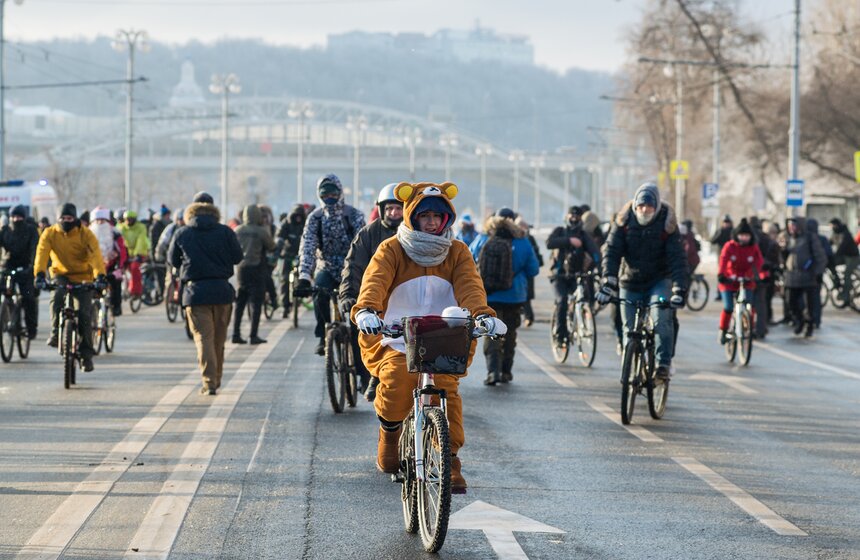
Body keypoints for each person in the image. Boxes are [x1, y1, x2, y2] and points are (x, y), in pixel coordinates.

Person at [352, 181, 505, 493]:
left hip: (443, 335)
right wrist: (367, 310)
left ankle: (450, 460)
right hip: (397, 335)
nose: (432, 221)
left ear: (447, 218)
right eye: (424, 215)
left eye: (438, 215)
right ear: (412, 216)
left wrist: (482, 315)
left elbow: (470, 286)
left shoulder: (458, 251)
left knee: (446, 391)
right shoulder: (391, 248)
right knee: (396, 381)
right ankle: (390, 435)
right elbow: (375, 281)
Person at [596, 183, 686, 380]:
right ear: (635, 206)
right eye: (641, 206)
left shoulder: (667, 224)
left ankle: (663, 364)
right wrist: (609, 281)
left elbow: (677, 258)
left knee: (661, 318)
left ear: (657, 207)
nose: (645, 210)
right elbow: (611, 251)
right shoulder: (624, 221)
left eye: (649, 206)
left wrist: (679, 288)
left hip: (659, 281)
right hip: (630, 281)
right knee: (628, 329)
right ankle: (630, 363)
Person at [168, 191, 244, 395]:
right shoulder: (226, 232)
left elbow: (173, 260)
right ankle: (216, 379)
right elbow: (238, 257)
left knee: (204, 339)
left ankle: (209, 382)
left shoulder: (182, 233)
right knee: (219, 340)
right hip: (222, 291)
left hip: (196, 293)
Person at [339, 184, 403, 401]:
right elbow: (353, 267)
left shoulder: (415, 234)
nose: (393, 213)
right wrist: (349, 296)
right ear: (382, 210)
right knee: (362, 332)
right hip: (376, 298)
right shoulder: (368, 234)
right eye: (389, 209)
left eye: (398, 209)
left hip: (407, 298)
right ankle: (368, 375)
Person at [294, 174, 365, 355]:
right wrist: (304, 276)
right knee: (319, 293)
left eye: (333, 194)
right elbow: (308, 247)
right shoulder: (315, 218)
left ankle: (359, 345)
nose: (330, 198)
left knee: (357, 305)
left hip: (351, 269)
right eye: (325, 195)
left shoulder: (354, 215)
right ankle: (322, 335)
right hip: (326, 266)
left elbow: (363, 247)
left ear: (340, 193)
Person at [33, 203, 106, 372]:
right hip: (60, 274)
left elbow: (95, 255)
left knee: (84, 315)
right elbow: (42, 253)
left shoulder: (85, 234)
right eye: (63, 218)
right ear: (58, 219)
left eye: (70, 218)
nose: (66, 221)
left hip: (83, 276)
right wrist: (40, 275)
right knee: (57, 298)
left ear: (75, 219)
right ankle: (55, 332)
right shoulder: (50, 233)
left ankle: (86, 355)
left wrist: (100, 276)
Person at [470, 207, 538, 385]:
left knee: (490, 331)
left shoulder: (483, 238)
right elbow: (533, 269)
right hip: (514, 296)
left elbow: (468, 261)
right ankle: (506, 371)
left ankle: (493, 371)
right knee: (510, 333)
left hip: (489, 295)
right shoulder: (522, 241)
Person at [546, 206, 601, 345]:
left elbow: (595, 253)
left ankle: (578, 318)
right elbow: (549, 243)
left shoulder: (583, 235)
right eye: (572, 215)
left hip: (577, 276)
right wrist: (569, 241)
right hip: (559, 276)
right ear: (567, 216)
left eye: (577, 216)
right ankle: (560, 335)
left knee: (585, 297)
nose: (574, 218)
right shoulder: (560, 231)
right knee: (562, 300)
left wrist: (599, 268)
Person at [232, 204, 276, 345]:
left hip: (241, 269)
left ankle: (235, 333)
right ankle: (253, 335)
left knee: (240, 303)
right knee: (256, 304)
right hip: (257, 269)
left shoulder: (238, 230)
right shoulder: (261, 231)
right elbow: (271, 246)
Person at [716, 218, 765, 344]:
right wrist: (721, 274)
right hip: (729, 280)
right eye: (742, 235)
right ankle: (723, 330)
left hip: (746, 280)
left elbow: (759, 262)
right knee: (728, 307)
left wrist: (756, 275)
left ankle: (749, 327)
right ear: (737, 235)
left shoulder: (753, 247)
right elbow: (723, 260)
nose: (744, 238)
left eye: (747, 236)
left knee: (749, 305)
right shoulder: (730, 246)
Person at [777, 217, 826, 337]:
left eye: (793, 225)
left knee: (809, 305)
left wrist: (817, 272)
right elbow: (784, 259)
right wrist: (783, 250)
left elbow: (820, 256)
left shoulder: (809, 238)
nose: (791, 228)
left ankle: (809, 325)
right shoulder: (787, 239)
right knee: (791, 302)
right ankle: (799, 320)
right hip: (791, 277)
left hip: (808, 276)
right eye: (789, 226)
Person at [0, 205, 39, 339]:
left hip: (25, 268)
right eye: (13, 217)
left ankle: (31, 328)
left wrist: (32, 266)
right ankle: (6, 313)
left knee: (28, 298)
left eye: (19, 217)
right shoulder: (5, 231)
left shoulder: (31, 230)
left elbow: (35, 249)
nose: (16, 219)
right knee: (3, 291)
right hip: (8, 266)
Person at [90, 207, 128, 317]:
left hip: (111, 266)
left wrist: (119, 266)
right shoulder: (88, 233)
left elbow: (122, 250)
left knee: (115, 283)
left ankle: (116, 308)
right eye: (97, 220)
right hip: (93, 268)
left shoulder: (114, 232)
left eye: (102, 220)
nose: (100, 222)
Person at [750, 216, 780, 338]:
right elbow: (774, 256)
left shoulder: (745, 238)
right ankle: (761, 329)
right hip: (764, 274)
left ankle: (747, 326)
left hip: (748, 274)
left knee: (747, 302)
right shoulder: (765, 238)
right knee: (762, 303)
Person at [276, 204, 306, 318]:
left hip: (301, 254)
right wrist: (278, 250)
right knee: (284, 279)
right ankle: (285, 306)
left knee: (303, 276)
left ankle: (299, 297)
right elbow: (280, 238)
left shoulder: (306, 224)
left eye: (300, 216)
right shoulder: (286, 224)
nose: (298, 218)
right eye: (296, 216)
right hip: (287, 253)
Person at [515, 215, 543, 327]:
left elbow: (535, 256)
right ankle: (525, 317)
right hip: (521, 273)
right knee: (522, 297)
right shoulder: (518, 239)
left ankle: (528, 317)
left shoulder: (529, 239)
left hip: (526, 273)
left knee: (526, 297)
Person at [806, 218, 833, 329]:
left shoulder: (806, 239)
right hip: (817, 273)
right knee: (816, 296)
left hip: (808, 273)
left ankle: (810, 319)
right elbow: (829, 254)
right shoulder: (822, 239)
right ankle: (815, 320)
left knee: (808, 297)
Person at [118, 210, 150, 300]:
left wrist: (137, 254)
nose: (128, 222)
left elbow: (141, 241)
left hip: (139, 252)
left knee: (135, 268)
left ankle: (136, 291)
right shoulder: (121, 228)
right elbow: (120, 242)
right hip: (126, 253)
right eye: (126, 219)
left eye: (130, 219)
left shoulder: (141, 227)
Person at [829, 217, 859, 305]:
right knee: (830, 263)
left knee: (847, 274)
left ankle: (846, 294)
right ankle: (837, 281)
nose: (832, 228)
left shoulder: (845, 233)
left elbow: (842, 247)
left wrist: (834, 255)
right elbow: (829, 242)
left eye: (833, 226)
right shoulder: (835, 233)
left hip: (853, 257)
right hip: (844, 256)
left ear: (837, 225)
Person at [710, 215, 733, 301]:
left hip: (731, 257)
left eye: (727, 222)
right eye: (725, 222)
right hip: (721, 256)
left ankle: (731, 292)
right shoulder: (720, 231)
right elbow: (712, 241)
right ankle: (720, 293)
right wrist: (719, 233)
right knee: (721, 274)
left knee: (731, 274)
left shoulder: (732, 231)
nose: (726, 224)